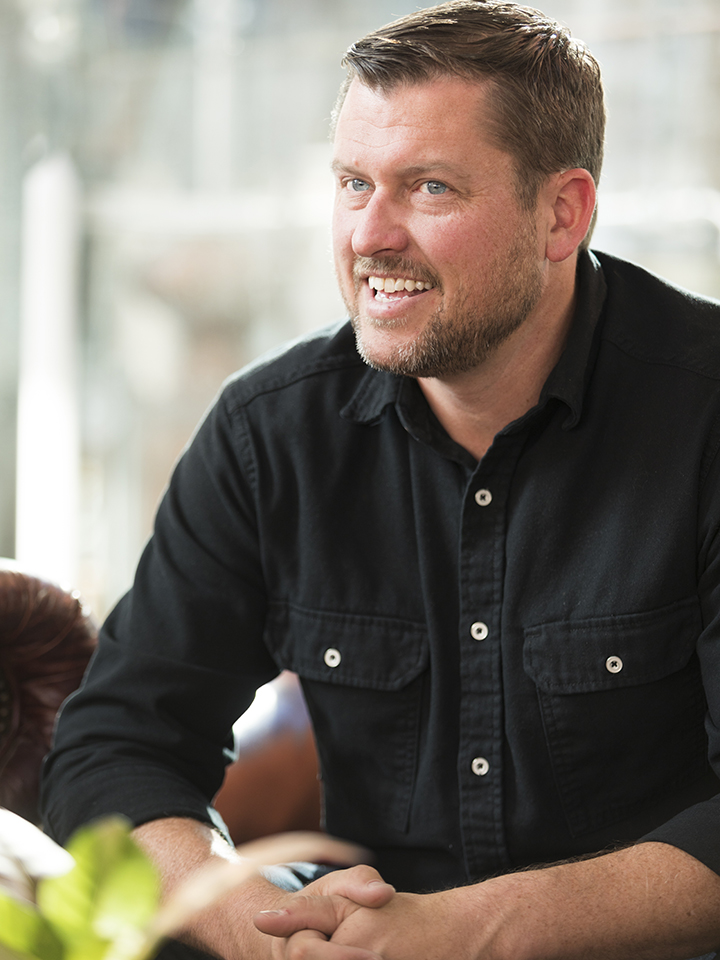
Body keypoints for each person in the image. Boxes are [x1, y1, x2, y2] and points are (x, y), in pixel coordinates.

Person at [41, 1, 720, 958]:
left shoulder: (703, 416)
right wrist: (255, 926)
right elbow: (114, 748)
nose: (371, 234)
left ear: (561, 213)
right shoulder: (267, 434)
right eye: (354, 182)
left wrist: (458, 932)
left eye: (429, 188)